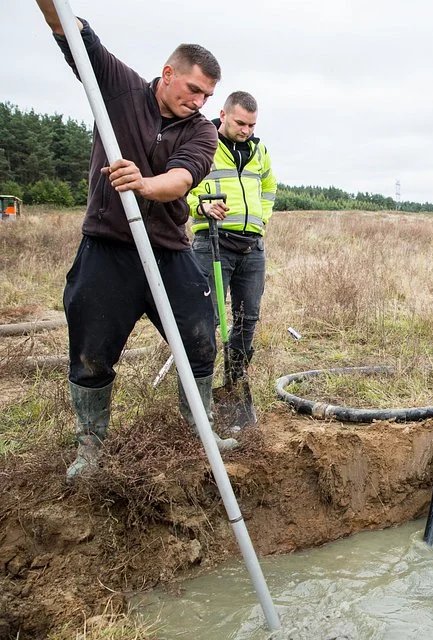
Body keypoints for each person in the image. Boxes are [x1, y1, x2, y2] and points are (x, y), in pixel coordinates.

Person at [35, 1, 238, 482]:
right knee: (91, 352)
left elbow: (180, 181)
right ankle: (91, 448)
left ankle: (201, 428)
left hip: (169, 251)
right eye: (194, 89)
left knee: (198, 338)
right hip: (107, 249)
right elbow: (66, 26)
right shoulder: (119, 87)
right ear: (167, 73)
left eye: (208, 96)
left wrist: (143, 183)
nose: (200, 102)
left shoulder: (202, 133)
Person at [187, 91, 276, 393]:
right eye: (241, 123)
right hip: (212, 243)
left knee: (246, 318)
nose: (246, 131)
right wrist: (200, 206)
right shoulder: (202, 142)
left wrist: (262, 218)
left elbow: (269, 185)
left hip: (252, 248)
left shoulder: (259, 149)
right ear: (223, 115)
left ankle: (234, 386)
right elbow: (182, 184)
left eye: (252, 125)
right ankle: (199, 391)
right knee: (206, 319)